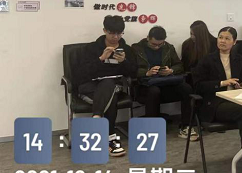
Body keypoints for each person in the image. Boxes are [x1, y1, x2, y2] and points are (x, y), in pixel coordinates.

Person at [192, 27, 242, 173]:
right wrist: (222, 83)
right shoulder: (207, 60)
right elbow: (197, 85)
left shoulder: (238, 59)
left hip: (236, 102)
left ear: (234, 42)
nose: (222, 41)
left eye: (227, 38)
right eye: (220, 37)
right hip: (215, 105)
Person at [75, 15, 137, 157]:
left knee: (110, 86)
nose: (115, 37)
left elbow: (134, 73)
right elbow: (79, 73)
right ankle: (111, 139)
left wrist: (124, 62)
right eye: (112, 33)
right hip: (91, 87)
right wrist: (101, 59)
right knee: (110, 92)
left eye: (119, 33)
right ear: (104, 30)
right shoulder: (91, 48)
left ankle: (98, 121)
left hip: (115, 86)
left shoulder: (127, 49)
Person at [131, 26, 196, 141]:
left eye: (160, 44)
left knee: (186, 88)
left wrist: (171, 70)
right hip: (145, 86)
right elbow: (131, 69)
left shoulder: (168, 48)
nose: (157, 47)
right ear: (148, 38)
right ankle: (152, 128)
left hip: (166, 83)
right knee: (154, 91)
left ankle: (186, 126)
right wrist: (147, 72)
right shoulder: (136, 49)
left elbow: (179, 65)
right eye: (153, 44)